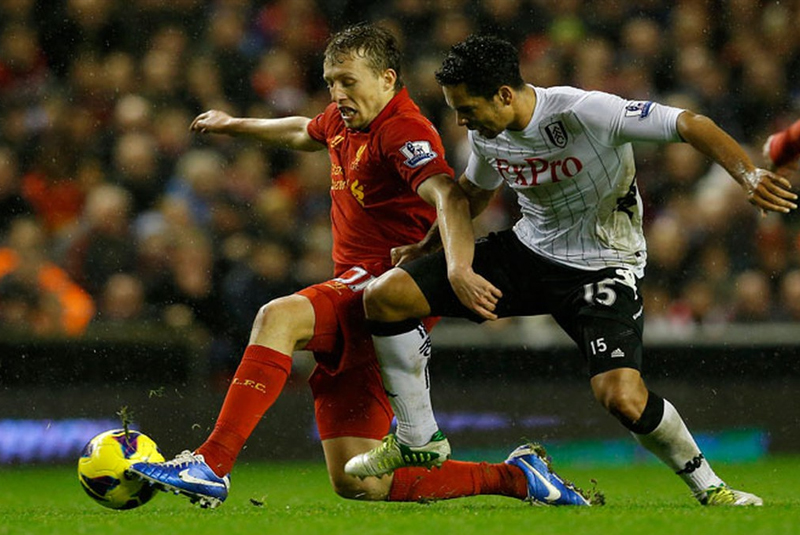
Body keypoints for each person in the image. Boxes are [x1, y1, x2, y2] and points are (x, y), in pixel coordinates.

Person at [129, 24, 594, 508]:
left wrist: (457, 268)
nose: (337, 92)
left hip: (387, 286)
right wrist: (233, 124)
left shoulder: (403, 130)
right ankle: (517, 478)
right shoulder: (344, 120)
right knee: (358, 479)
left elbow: (449, 196)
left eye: (348, 81)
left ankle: (211, 464)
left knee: (277, 316)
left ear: (388, 79)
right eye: (331, 80)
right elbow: (304, 131)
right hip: (358, 289)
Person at [345, 35, 798, 507]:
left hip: (602, 266)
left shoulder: (584, 112)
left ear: (504, 94)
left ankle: (711, 487)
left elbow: (689, 124)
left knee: (621, 397)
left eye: (467, 107)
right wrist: (429, 246)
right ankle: (418, 438)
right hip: (529, 251)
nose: (462, 121)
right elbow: (472, 195)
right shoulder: (487, 133)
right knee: (385, 296)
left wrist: (748, 174)